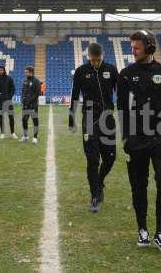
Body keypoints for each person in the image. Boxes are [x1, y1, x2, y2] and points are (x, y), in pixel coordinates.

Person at [117, 29, 161, 253]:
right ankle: (142, 229)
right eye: (132, 47)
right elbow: (122, 108)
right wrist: (125, 135)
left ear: (150, 47)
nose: (132, 51)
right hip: (136, 139)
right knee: (138, 185)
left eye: (136, 47)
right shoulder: (125, 74)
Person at [69, 43, 118, 213]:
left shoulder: (111, 70)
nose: (96, 63)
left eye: (98, 60)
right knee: (92, 160)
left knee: (111, 158)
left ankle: (100, 181)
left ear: (102, 55)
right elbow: (75, 94)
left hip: (107, 119)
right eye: (93, 60)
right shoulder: (81, 71)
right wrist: (71, 116)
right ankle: (95, 196)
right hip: (89, 120)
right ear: (88, 56)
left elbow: (120, 91)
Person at [0, 66, 18, 139]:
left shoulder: (9, 79)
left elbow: (13, 89)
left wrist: (9, 97)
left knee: (11, 117)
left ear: (4, 70)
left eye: (1, 70)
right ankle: (2, 133)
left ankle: (12, 133)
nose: (0, 71)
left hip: (8, 101)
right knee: (1, 118)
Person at [20, 66, 41, 144]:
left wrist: (30, 102)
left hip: (33, 105)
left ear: (31, 72)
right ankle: (25, 136)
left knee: (35, 121)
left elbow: (37, 93)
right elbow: (23, 92)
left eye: (26, 72)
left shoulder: (36, 81)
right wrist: (23, 100)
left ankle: (35, 137)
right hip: (25, 105)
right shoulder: (25, 81)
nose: (25, 73)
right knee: (24, 120)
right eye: (25, 72)